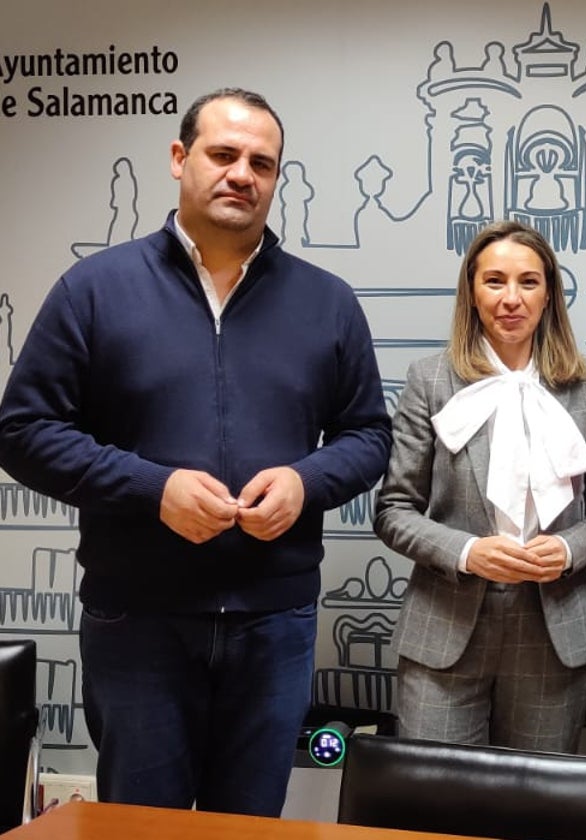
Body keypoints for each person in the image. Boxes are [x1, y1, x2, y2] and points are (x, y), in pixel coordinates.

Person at [0, 88, 391, 816]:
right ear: (181, 160)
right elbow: (23, 431)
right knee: (139, 827)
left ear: (277, 180)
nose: (242, 173)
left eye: (262, 163)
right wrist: (153, 489)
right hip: (137, 623)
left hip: (275, 625)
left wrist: (307, 484)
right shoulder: (95, 290)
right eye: (223, 154)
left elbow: (369, 437)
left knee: (247, 827)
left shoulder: (327, 301)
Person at [373, 220, 586, 751]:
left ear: (550, 293)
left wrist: (568, 548)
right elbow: (394, 509)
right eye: (494, 281)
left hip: (553, 633)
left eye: (528, 282)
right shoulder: (430, 380)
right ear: (471, 291)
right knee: (435, 807)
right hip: (445, 629)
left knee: (535, 808)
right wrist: (466, 552)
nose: (511, 298)